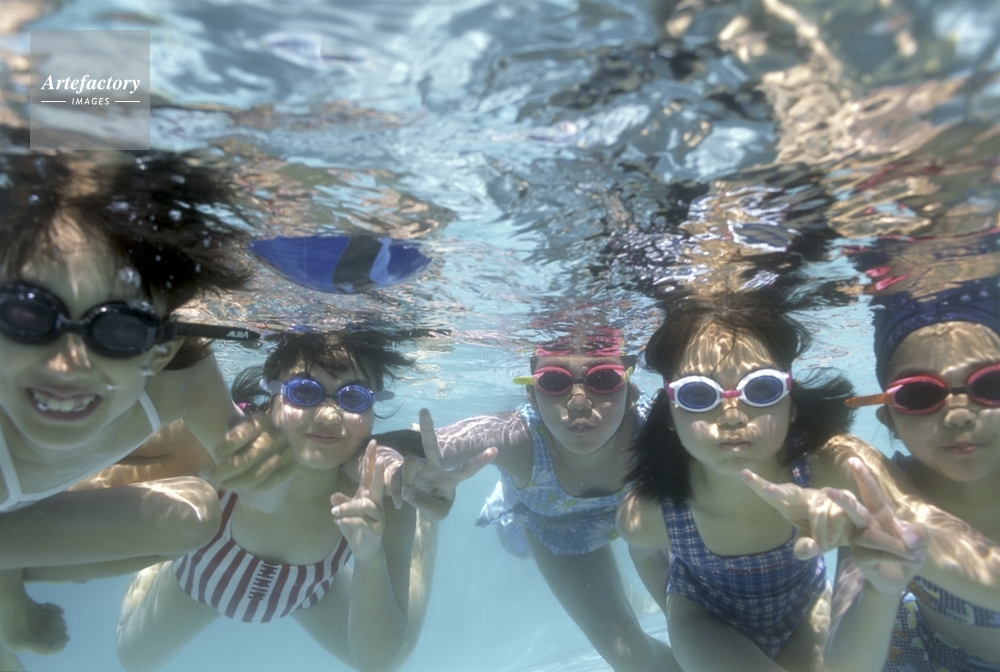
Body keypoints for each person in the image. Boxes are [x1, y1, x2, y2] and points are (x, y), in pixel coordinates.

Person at [0, 136, 292, 667]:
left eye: (119, 329)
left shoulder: (180, 379)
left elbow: (265, 501)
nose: (67, 365)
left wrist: (266, 473)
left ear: (162, 349)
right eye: (27, 314)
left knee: (197, 514)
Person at [615, 287, 922, 671]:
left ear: (791, 402)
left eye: (760, 388)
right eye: (698, 394)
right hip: (702, 617)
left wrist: (872, 581)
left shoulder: (829, 464)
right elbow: (644, 553)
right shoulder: (650, 514)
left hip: (806, 605)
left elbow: (922, 521)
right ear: (671, 415)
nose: (731, 416)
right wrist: (670, 608)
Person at [115, 330, 441, 672]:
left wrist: (370, 558)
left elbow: (377, 661)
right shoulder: (225, 452)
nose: (329, 417)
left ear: (373, 408)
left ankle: (428, 519)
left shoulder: (379, 491)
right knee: (132, 660)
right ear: (271, 398)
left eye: (354, 397)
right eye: (304, 391)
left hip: (310, 593)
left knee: (390, 659)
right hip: (197, 581)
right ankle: (157, 562)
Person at [397, 327, 678, 672]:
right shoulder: (517, 438)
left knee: (697, 622)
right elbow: (402, 448)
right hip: (557, 528)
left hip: (639, 520)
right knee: (629, 656)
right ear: (532, 395)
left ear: (631, 390)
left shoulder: (656, 427)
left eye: (604, 379)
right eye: (554, 381)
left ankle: (631, 591)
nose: (578, 401)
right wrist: (403, 465)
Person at [821, 280, 1000, 671]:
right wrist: (879, 593)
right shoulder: (880, 495)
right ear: (889, 420)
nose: (959, 415)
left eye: (990, 384)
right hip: (935, 652)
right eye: (919, 395)